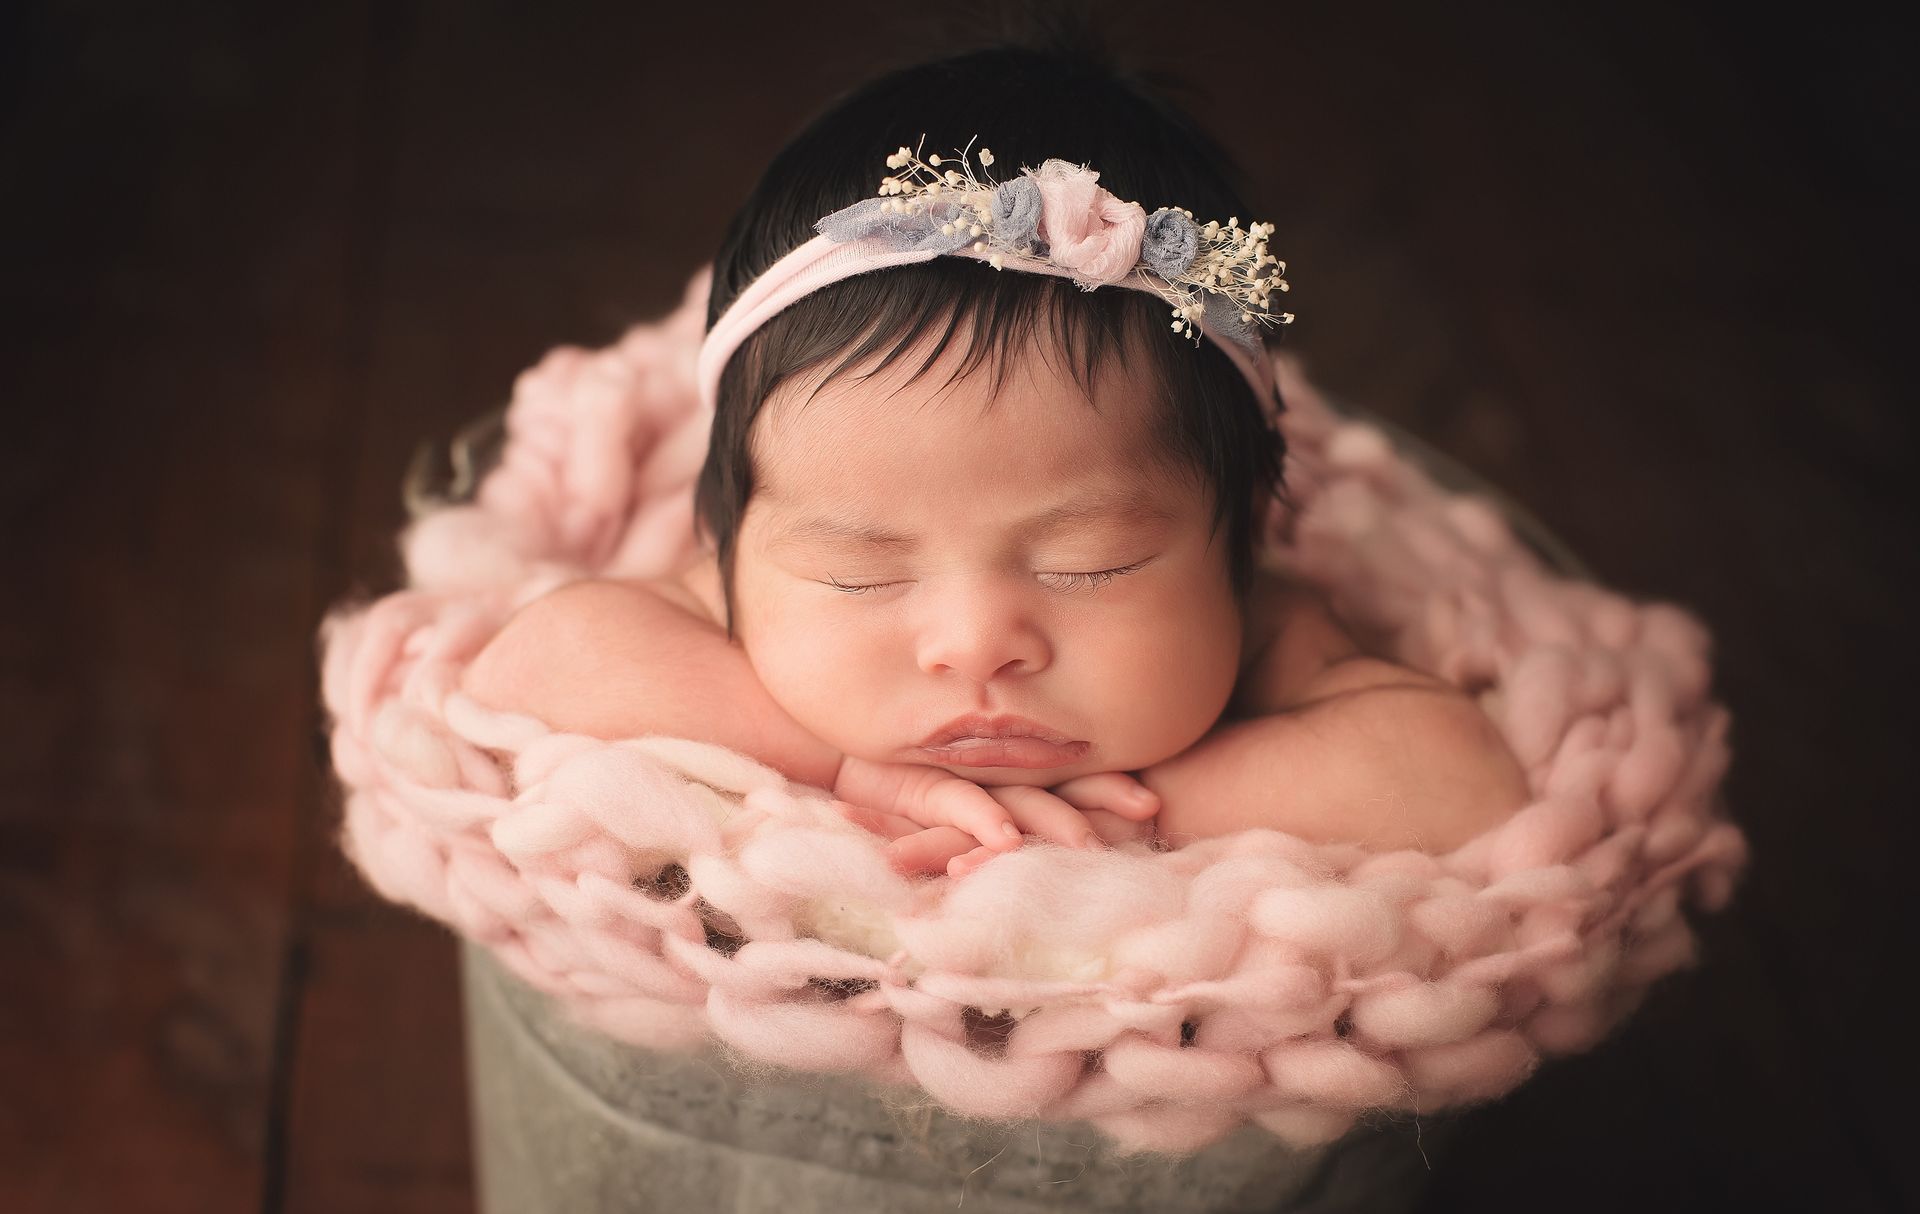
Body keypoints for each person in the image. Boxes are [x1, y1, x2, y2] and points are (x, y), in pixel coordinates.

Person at [460, 29, 1530, 880]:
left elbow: (1458, 779)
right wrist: (842, 765)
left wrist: (1131, 813)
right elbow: (533, 665)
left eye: (1089, 562)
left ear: (1245, 529)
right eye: (862, 571)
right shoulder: (738, 611)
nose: (976, 646)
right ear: (725, 533)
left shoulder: (1266, 632)